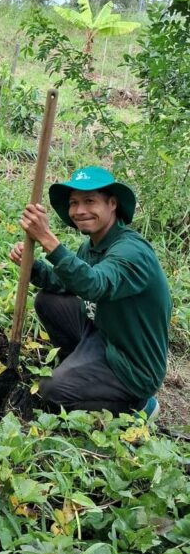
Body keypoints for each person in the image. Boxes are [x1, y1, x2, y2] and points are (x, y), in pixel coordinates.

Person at [10, 166, 171, 419]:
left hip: (130, 364)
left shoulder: (132, 251)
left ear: (112, 204)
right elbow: (65, 282)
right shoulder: (92, 247)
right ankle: (76, 369)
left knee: (51, 392)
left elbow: (94, 285)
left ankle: (138, 405)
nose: (79, 211)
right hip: (103, 334)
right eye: (74, 203)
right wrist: (32, 266)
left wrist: (48, 239)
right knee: (48, 301)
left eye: (90, 201)